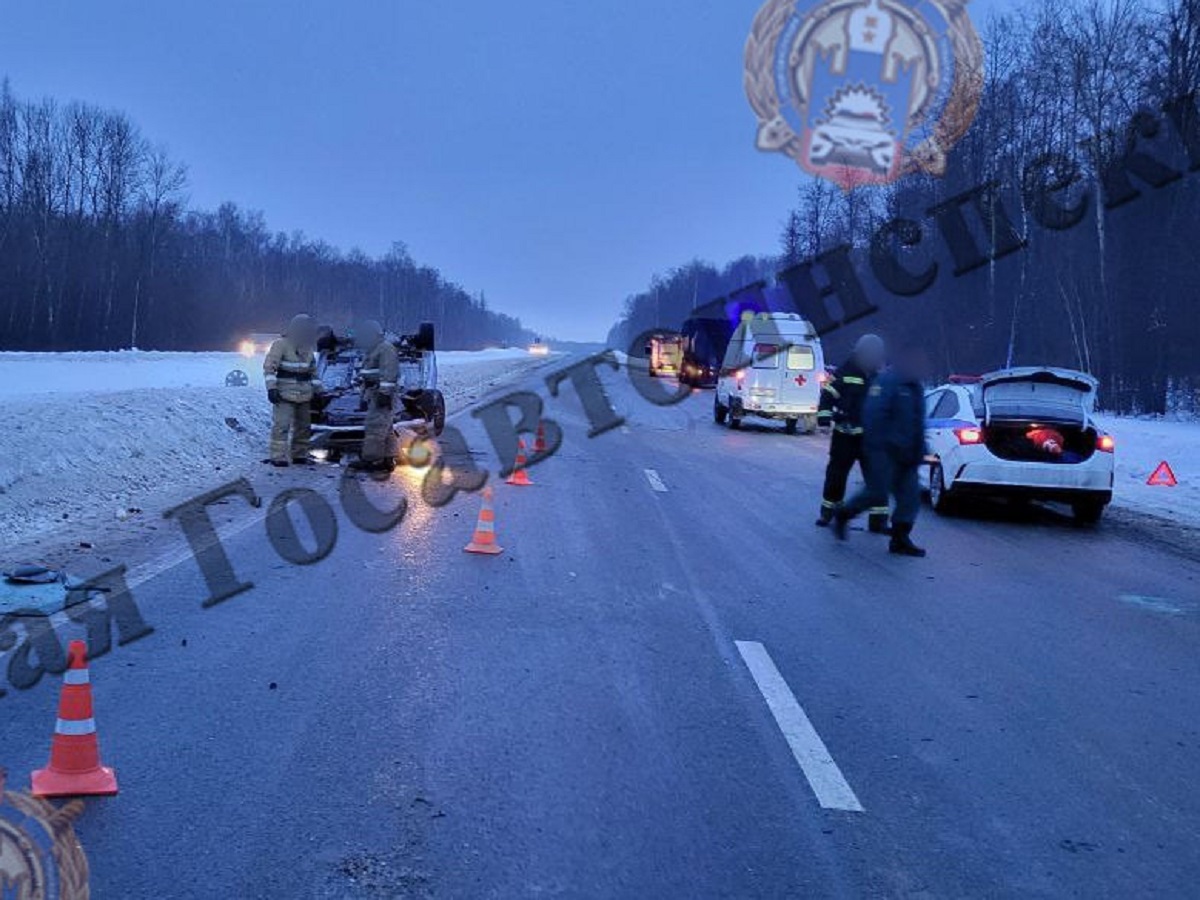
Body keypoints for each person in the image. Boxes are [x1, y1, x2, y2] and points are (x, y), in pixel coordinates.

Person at [834, 342, 930, 557]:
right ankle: (844, 514)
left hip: (909, 453)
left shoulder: (915, 387)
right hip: (884, 451)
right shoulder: (888, 382)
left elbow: (917, 421)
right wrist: (883, 444)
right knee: (876, 492)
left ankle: (900, 538)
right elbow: (873, 415)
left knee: (910, 497)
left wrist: (920, 447)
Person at [816, 334, 889, 532]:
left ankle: (879, 520)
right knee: (836, 476)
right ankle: (828, 513)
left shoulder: (881, 376)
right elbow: (828, 395)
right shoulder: (845, 372)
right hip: (844, 435)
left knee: (877, 479)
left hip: (871, 439)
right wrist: (824, 419)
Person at [264, 314, 322, 467]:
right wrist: (272, 389)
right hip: (284, 394)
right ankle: (277, 456)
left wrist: (318, 391)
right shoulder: (280, 345)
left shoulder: (307, 349)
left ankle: (299, 454)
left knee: (303, 427)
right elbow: (269, 368)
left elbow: (313, 371)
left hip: (304, 394)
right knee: (282, 425)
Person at [349, 320, 400, 473]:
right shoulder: (375, 349)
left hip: (381, 394)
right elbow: (371, 372)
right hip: (376, 392)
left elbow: (389, 373)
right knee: (386, 428)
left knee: (375, 427)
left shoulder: (385, 349)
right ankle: (387, 459)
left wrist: (385, 393)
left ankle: (373, 460)